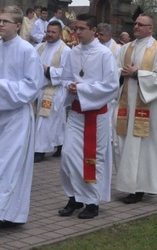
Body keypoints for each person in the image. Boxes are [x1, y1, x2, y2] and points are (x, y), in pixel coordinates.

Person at [0, 6, 44, 238]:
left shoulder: (27, 51)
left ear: (17, 25)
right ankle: (12, 214)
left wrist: (2, 86)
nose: (0, 24)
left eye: (5, 21)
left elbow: (33, 86)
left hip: (18, 116)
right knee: (0, 164)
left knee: (5, 166)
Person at [57, 14, 119, 220]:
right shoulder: (73, 53)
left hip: (96, 115)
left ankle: (92, 202)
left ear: (94, 31)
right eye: (76, 28)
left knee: (93, 158)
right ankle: (74, 196)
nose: (78, 32)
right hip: (76, 112)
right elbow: (65, 77)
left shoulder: (104, 54)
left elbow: (111, 85)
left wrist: (82, 88)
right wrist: (70, 86)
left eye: (83, 28)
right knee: (68, 156)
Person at [114, 14, 157, 204]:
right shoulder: (126, 48)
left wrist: (137, 73)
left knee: (144, 147)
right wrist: (121, 73)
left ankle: (141, 187)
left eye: (140, 24)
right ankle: (129, 184)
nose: (136, 26)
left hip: (147, 106)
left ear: (150, 28)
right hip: (126, 104)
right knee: (123, 144)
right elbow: (115, 70)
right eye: (135, 23)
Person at [33, 20, 70, 162]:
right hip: (39, 89)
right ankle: (60, 144)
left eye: (53, 32)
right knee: (57, 120)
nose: (49, 34)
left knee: (45, 120)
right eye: (48, 31)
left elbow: (67, 73)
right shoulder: (39, 47)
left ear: (60, 34)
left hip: (54, 90)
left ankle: (40, 150)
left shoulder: (65, 50)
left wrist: (48, 70)